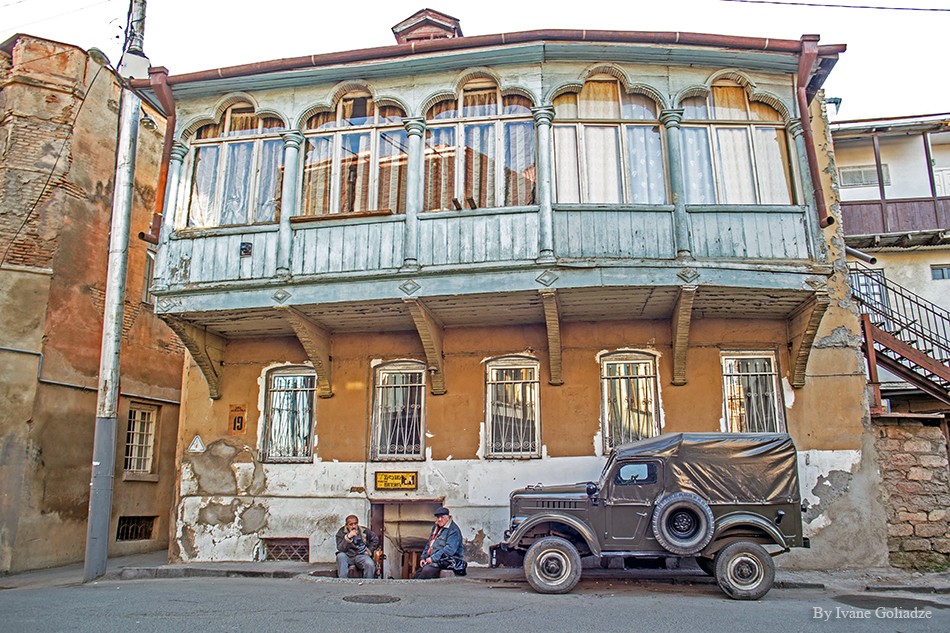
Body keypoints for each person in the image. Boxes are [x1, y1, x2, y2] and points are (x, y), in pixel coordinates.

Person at [414, 506, 465, 579]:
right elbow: (429, 544)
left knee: (426, 571)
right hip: (435, 559)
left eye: (442, 517)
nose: (439, 519)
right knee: (418, 572)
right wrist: (423, 557)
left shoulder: (453, 530)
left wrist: (432, 558)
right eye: (438, 517)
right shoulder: (436, 527)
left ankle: (418, 588)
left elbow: (449, 550)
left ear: (448, 517)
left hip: (448, 560)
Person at [335, 514, 380, 579]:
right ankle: (343, 581)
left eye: (355, 524)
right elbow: (340, 548)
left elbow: (375, 539)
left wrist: (369, 550)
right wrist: (348, 537)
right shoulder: (341, 532)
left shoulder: (364, 530)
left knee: (370, 564)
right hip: (348, 555)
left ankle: (368, 583)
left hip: (361, 555)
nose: (353, 526)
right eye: (351, 524)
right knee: (340, 556)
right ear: (346, 525)